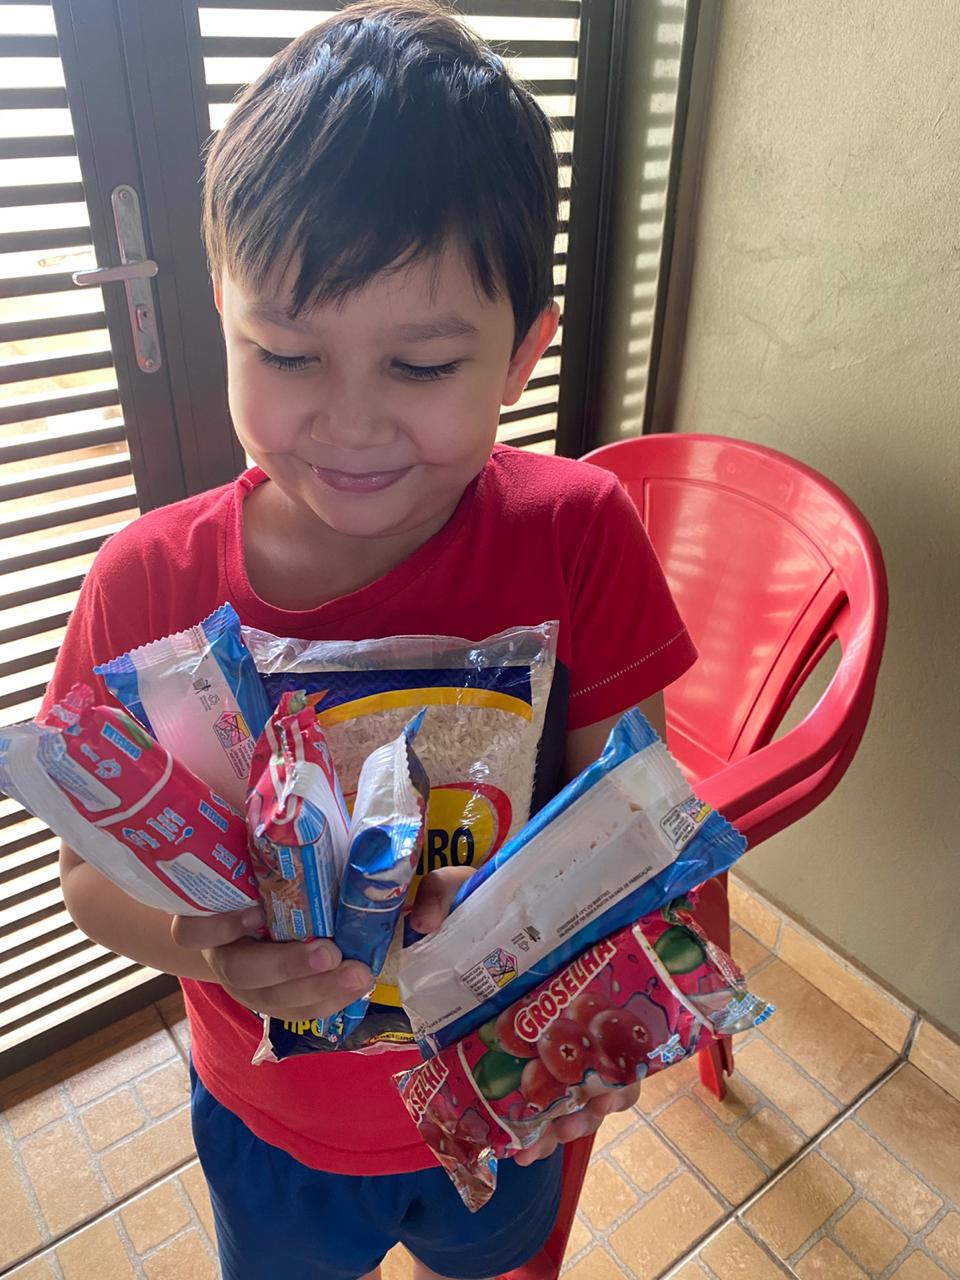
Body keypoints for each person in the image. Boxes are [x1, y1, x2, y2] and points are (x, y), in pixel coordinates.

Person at [44, 3, 697, 1277]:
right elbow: (87, 876)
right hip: (273, 1121)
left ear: (522, 354)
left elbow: (633, 829)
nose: (349, 424)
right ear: (222, 319)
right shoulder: (147, 584)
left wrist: (606, 987)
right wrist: (209, 944)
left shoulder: (579, 536)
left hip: (500, 1100)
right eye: (287, 353)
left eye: (422, 365)